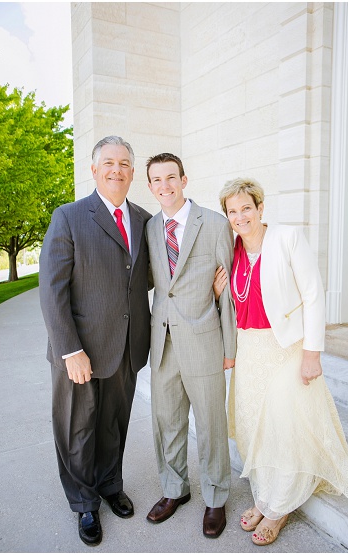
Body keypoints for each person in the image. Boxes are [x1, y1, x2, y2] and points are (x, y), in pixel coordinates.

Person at [213, 177, 348, 546]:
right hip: (249, 348)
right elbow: (238, 300)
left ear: (260, 208)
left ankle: (279, 509)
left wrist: (313, 352)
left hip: (286, 348)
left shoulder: (286, 238)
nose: (240, 216)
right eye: (233, 211)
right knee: (253, 428)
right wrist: (221, 293)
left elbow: (313, 294)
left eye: (246, 207)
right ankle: (265, 496)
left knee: (284, 427)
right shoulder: (231, 249)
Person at [39, 135, 151, 546]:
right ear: (94, 169)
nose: (116, 170)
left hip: (126, 345)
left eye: (124, 163)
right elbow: (53, 291)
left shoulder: (142, 218)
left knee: (113, 424)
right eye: (109, 162)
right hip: (80, 349)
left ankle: (108, 484)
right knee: (78, 428)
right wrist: (70, 349)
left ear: (133, 173)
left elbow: (148, 276)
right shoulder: (68, 217)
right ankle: (84, 503)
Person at [141, 153, 236, 538]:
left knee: (211, 422)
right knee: (167, 422)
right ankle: (173, 489)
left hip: (204, 340)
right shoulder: (149, 228)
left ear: (183, 179)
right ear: (149, 187)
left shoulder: (213, 224)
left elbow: (227, 293)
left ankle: (215, 496)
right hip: (162, 342)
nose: (164, 186)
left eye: (170, 178)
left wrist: (230, 349)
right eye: (156, 180)